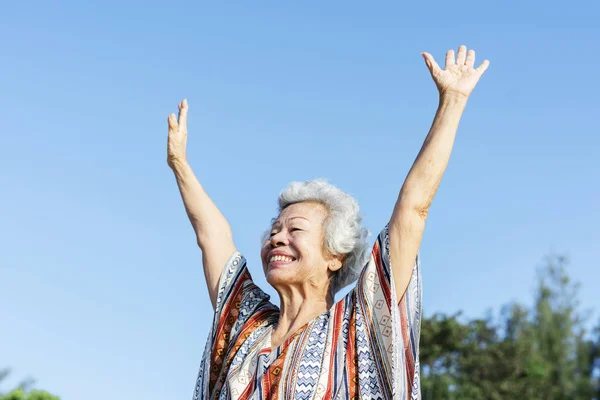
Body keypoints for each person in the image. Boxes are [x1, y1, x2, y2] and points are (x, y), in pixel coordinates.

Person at [167, 45, 489, 400]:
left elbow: (413, 209)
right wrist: (179, 164)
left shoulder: (358, 323)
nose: (277, 238)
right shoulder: (247, 327)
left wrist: (452, 102)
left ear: (335, 255)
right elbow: (212, 236)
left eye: (296, 230)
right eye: (274, 230)